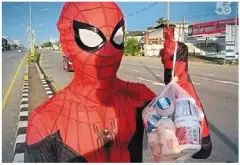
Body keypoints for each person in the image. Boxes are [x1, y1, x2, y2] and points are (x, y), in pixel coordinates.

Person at [25, 2, 156, 162]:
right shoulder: (46, 120)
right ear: (67, 42)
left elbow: (190, 138)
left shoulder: (139, 96)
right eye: (90, 38)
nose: (107, 52)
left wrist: (179, 73)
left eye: (117, 37)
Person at [160, 26, 212, 159]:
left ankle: (202, 141)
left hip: (199, 145)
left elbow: (173, 59)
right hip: (178, 80)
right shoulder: (177, 85)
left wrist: (169, 37)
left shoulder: (181, 84)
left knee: (189, 107)